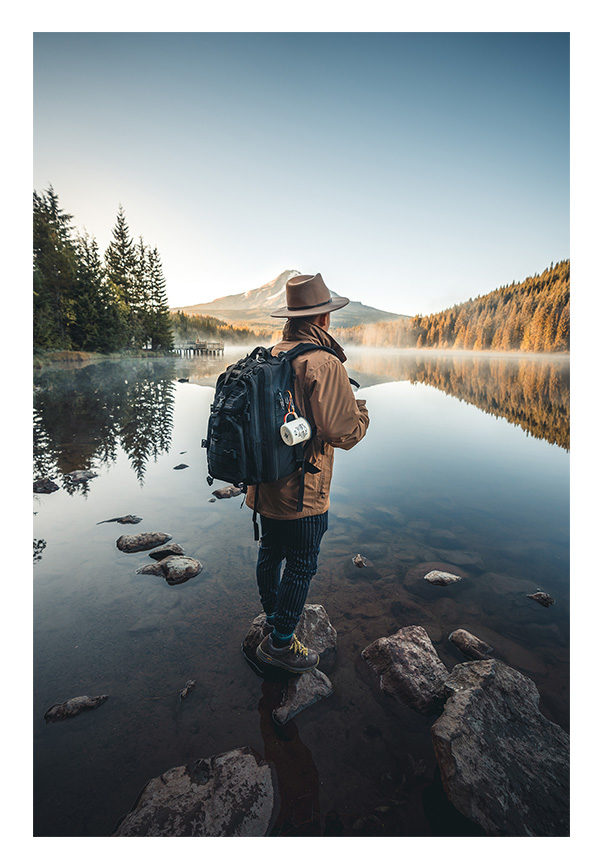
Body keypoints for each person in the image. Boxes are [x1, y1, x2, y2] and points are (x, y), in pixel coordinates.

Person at [247, 272, 369, 674]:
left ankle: (271, 618)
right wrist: (362, 414)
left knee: (270, 552)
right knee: (302, 564)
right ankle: (280, 643)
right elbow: (342, 433)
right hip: (303, 491)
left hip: (263, 484)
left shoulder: (269, 353)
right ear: (323, 319)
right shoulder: (323, 361)